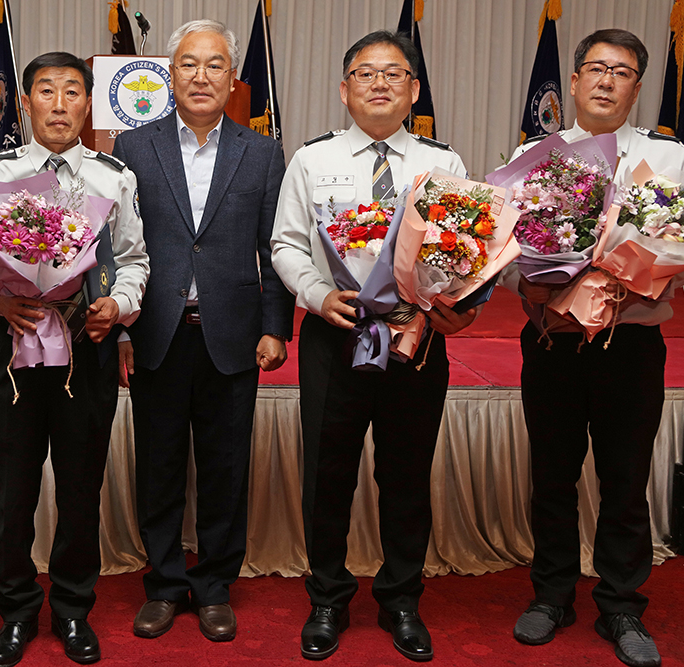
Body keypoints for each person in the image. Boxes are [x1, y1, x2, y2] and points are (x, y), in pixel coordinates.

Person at [271, 30, 476, 662]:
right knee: (327, 475)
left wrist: (448, 304)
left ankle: (401, 600)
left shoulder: (444, 164)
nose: (380, 83)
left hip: (413, 341)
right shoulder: (311, 159)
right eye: (365, 73)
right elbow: (286, 244)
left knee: (407, 473)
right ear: (344, 89)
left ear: (414, 90)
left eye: (394, 74)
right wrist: (314, 293)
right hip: (335, 338)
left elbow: (467, 249)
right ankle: (328, 598)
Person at [508, 29, 684, 667]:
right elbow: (505, 258)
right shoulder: (534, 154)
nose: (606, 80)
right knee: (552, 477)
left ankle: (620, 605)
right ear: (573, 79)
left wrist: (649, 267)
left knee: (625, 479)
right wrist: (542, 279)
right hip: (554, 342)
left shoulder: (670, 160)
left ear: (637, 87)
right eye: (595, 68)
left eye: (621, 72)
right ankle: (552, 595)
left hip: (631, 344)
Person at [112, 19, 294, 644]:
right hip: (157, 331)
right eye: (188, 64)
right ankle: (164, 584)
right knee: (157, 466)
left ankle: (214, 585)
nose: (200, 76)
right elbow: (116, 248)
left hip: (234, 335)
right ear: (170, 73)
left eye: (214, 65)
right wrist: (121, 333)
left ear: (232, 77)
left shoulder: (263, 152)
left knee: (225, 467)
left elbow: (275, 249)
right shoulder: (133, 148)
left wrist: (276, 328)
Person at [0, 52, 149, 667]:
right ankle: (16, 612)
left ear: (88, 104)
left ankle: (73, 610)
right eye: (45, 91)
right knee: (12, 489)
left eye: (72, 92)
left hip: (86, 349)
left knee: (80, 489)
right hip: (14, 350)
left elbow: (134, 259)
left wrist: (119, 307)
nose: (58, 103)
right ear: (25, 103)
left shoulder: (113, 175)